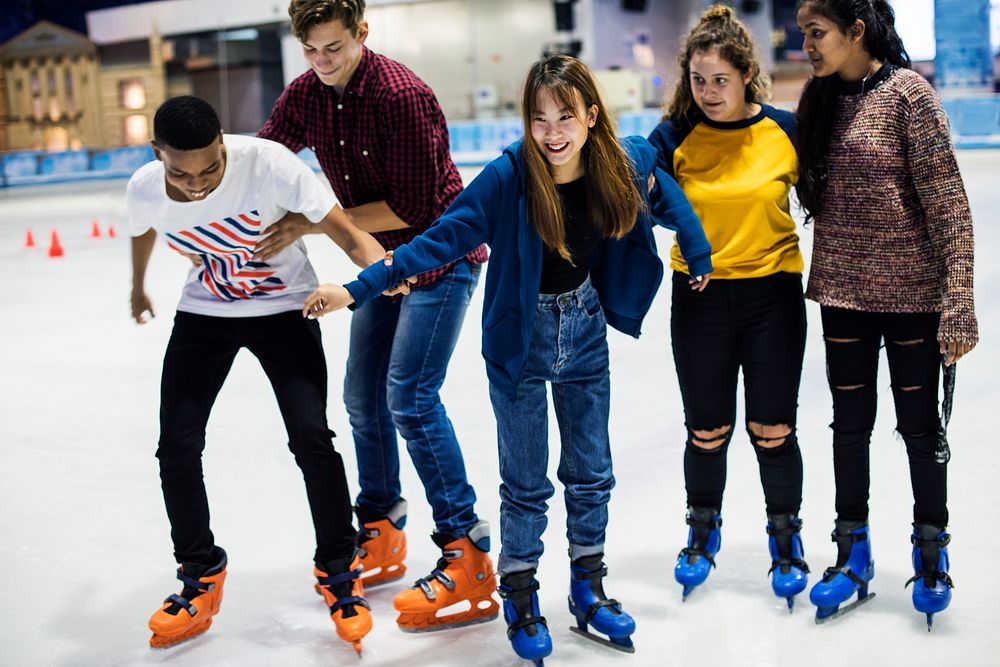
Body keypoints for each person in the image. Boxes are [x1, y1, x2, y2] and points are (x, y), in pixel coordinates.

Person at [302, 54, 713, 664]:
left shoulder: (620, 158)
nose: (552, 132)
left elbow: (663, 187)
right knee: (525, 484)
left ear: (591, 117)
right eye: (539, 118)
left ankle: (588, 586)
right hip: (519, 344)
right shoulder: (510, 175)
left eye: (565, 117)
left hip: (586, 329)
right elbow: (440, 238)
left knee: (591, 473)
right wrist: (357, 288)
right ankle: (520, 594)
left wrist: (696, 248)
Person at [255, 0, 495, 632]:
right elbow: (266, 158)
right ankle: (383, 524)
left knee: (410, 398)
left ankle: (465, 550)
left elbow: (417, 206)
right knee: (363, 399)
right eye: (310, 50)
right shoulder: (306, 93)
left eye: (334, 48)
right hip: (381, 263)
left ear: (362, 33)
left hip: (441, 255)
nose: (322, 63)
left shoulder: (401, 95)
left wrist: (310, 220)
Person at [129, 95, 383, 652]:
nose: (196, 185)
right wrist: (137, 284)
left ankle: (340, 569)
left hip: (286, 313)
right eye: (180, 172)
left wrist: (386, 269)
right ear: (157, 155)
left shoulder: (269, 163)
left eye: (210, 168)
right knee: (176, 445)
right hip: (205, 317)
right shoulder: (146, 186)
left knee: (312, 438)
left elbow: (343, 230)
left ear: (225, 146)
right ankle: (199, 574)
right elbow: (143, 227)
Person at [795, 0, 977, 627]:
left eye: (817, 34)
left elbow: (950, 206)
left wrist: (960, 303)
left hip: (913, 298)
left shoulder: (909, 96)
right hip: (843, 293)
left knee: (920, 431)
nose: (808, 46)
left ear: (856, 30)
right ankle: (853, 555)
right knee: (849, 429)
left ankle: (930, 551)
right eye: (804, 35)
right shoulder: (818, 102)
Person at [647, 4, 809, 609]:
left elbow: (835, 198)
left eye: (720, 80)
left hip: (773, 298)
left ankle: (785, 536)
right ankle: (702, 530)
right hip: (700, 299)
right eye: (697, 80)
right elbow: (628, 190)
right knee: (707, 430)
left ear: (746, 77)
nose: (708, 92)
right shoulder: (673, 139)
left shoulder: (785, 132)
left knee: (773, 429)